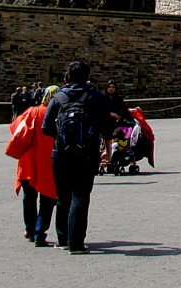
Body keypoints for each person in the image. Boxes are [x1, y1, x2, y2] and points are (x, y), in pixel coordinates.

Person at [42, 60, 112, 254]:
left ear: (67, 77)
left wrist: (62, 137)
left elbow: (46, 128)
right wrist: (108, 149)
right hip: (86, 153)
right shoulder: (96, 96)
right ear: (87, 77)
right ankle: (76, 243)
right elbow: (107, 126)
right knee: (80, 196)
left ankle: (62, 239)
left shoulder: (58, 97)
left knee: (63, 197)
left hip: (60, 153)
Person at [11, 84, 58, 246]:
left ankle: (30, 229)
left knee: (29, 197)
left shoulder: (31, 112)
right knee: (47, 199)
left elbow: (14, 128)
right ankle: (39, 232)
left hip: (28, 162)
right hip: (48, 162)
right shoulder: (58, 114)